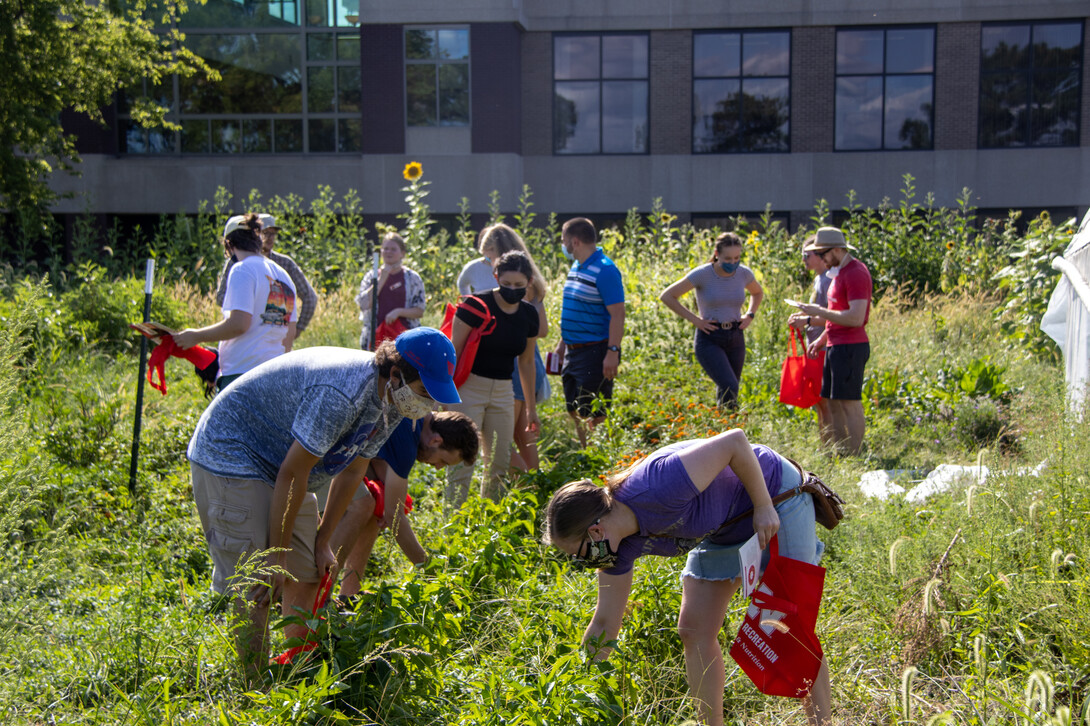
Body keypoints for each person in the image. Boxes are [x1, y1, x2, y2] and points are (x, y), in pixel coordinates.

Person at [186, 328, 459, 677]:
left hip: (283, 465)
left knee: (311, 570)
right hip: (233, 452)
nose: (428, 406)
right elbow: (293, 474)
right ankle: (254, 689)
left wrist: (323, 540)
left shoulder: (394, 405)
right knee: (259, 579)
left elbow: (353, 468)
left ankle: (295, 670)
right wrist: (277, 554)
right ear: (395, 375)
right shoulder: (341, 394)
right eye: (424, 393)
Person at [542, 429, 831, 726]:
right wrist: (573, 690)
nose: (582, 562)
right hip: (724, 526)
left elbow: (736, 442)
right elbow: (604, 623)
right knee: (694, 629)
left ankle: (821, 723)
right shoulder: (618, 548)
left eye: (578, 554)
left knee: (790, 627)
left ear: (595, 531)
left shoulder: (657, 485)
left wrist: (763, 506)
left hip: (774, 495)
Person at [321, 411, 480, 600]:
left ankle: (349, 594)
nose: (437, 467)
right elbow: (395, 517)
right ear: (436, 440)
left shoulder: (417, 418)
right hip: (320, 452)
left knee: (377, 500)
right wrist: (431, 573)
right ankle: (317, 596)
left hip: (341, 453)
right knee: (362, 505)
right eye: (443, 461)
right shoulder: (408, 437)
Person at [446, 250, 541, 505]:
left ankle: (488, 525)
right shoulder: (475, 306)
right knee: (461, 460)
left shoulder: (529, 315)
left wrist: (531, 409)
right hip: (469, 388)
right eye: (506, 283)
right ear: (496, 276)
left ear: (529, 282)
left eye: (519, 285)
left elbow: (527, 361)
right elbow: (453, 352)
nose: (512, 289)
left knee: (499, 463)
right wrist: (441, 397)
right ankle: (451, 528)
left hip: (503, 391)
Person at [461, 224, 551, 471]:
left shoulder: (517, 285)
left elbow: (541, 330)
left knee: (500, 441)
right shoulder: (526, 278)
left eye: (489, 254)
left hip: (513, 366)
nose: (486, 260)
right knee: (523, 438)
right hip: (524, 361)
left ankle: (524, 487)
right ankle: (533, 489)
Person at [175, 214, 296, 392]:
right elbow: (289, 333)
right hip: (276, 375)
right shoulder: (283, 275)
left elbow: (239, 324)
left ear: (229, 244)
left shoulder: (242, 269)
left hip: (241, 375)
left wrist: (195, 336)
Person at [659, 232, 764, 409]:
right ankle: (729, 427)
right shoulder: (703, 274)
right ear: (717, 254)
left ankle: (724, 428)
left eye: (737, 258)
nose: (733, 263)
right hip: (710, 337)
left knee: (730, 391)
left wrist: (750, 314)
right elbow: (668, 296)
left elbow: (757, 292)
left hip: (735, 336)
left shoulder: (744, 273)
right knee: (729, 385)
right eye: (728, 258)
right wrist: (696, 320)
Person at [796, 227, 872, 455]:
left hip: (851, 345)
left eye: (824, 253)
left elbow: (855, 318)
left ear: (837, 250)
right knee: (833, 401)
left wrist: (817, 312)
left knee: (849, 402)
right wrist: (821, 339)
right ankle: (841, 451)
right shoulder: (838, 273)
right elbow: (837, 314)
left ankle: (855, 453)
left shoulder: (855, 273)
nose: (822, 259)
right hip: (835, 344)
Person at [554, 217, 626, 448]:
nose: (563, 245)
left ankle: (598, 453)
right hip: (573, 350)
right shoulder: (577, 265)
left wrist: (612, 351)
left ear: (574, 241)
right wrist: (563, 342)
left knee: (592, 408)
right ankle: (587, 449)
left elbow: (618, 313)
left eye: (564, 240)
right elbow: (576, 308)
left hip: (595, 350)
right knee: (573, 407)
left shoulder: (605, 270)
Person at [215, 213, 318, 341]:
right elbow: (221, 297)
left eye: (273, 233)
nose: (269, 238)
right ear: (255, 235)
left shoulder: (285, 264)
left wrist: (296, 330)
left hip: (267, 342)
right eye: (266, 233)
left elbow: (310, 297)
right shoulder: (235, 263)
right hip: (245, 338)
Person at [789, 236, 833, 445]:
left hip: (824, 345)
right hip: (816, 345)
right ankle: (826, 442)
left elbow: (834, 316)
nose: (804, 260)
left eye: (807, 255)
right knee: (819, 399)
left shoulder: (827, 280)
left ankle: (834, 443)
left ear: (820, 255)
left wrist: (805, 320)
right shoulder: (819, 279)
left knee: (826, 400)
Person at [356, 232, 426, 350]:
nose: (388, 252)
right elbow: (363, 304)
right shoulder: (371, 277)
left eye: (393, 249)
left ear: (402, 253)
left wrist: (398, 312)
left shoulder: (412, 278)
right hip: (375, 338)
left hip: (404, 338)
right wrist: (381, 279)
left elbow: (419, 310)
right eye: (385, 249)